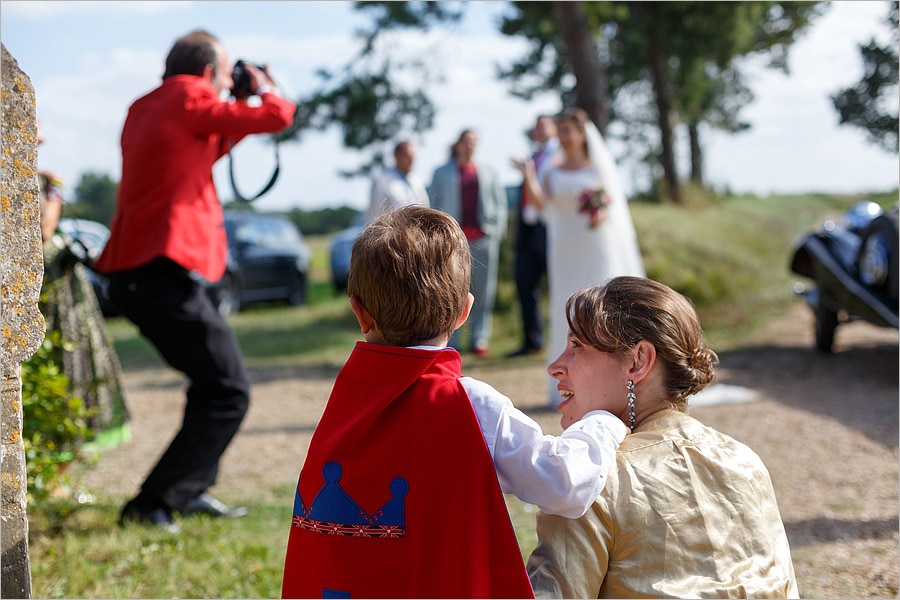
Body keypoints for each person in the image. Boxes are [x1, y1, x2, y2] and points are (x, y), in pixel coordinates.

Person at [281, 205, 628, 598]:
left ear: (359, 312)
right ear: (465, 311)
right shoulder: (469, 403)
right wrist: (604, 421)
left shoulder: (346, 398)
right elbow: (563, 484)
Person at [93, 29, 297, 533]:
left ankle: (190, 490)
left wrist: (236, 101)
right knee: (229, 389)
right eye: (226, 76)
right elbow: (279, 115)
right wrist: (266, 88)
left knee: (212, 386)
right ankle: (152, 503)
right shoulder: (190, 96)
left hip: (137, 273)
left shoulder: (147, 107)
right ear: (207, 73)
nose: (229, 84)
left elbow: (203, 149)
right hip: (161, 274)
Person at [527, 276, 799, 598]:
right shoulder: (745, 461)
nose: (555, 367)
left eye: (577, 346)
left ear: (638, 361)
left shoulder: (588, 479)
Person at [514, 107, 645, 406]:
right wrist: (529, 176)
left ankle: (614, 381)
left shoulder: (597, 167)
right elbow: (540, 204)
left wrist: (600, 212)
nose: (564, 137)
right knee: (568, 307)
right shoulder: (552, 169)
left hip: (595, 244)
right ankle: (570, 385)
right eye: (560, 131)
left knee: (603, 306)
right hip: (564, 249)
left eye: (569, 131)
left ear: (582, 134)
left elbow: (611, 205)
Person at [36, 122, 131, 454]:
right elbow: (45, 230)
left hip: (61, 291)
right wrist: (55, 191)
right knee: (67, 369)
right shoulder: (34, 179)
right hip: (50, 296)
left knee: (79, 369)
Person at [429, 129, 507, 358]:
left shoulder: (489, 172)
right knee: (452, 293)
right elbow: (433, 205)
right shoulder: (441, 173)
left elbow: (500, 204)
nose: (471, 145)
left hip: (484, 240)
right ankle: (451, 340)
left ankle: (479, 339)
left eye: (474, 141)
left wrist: (495, 232)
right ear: (459, 144)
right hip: (453, 243)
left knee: (484, 293)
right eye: (467, 141)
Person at [507, 114, 559, 358]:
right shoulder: (534, 157)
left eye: (543, 124)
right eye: (536, 126)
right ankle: (532, 340)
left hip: (549, 228)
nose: (538, 129)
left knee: (556, 284)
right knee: (525, 283)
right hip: (527, 230)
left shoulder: (558, 156)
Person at [364, 139, 429, 223]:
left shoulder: (416, 181)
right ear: (397, 156)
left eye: (413, 157)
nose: (411, 161)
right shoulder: (381, 181)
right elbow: (374, 215)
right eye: (408, 156)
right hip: (392, 232)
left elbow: (426, 208)